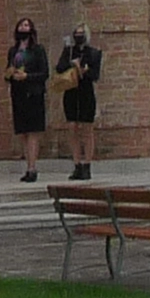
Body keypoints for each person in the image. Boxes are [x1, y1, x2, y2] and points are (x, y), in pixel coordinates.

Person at [52, 22, 103, 182]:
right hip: (71, 92)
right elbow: (59, 68)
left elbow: (94, 75)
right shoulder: (68, 51)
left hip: (86, 92)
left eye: (81, 33)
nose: (78, 36)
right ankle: (76, 164)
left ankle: (87, 164)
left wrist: (82, 70)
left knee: (87, 128)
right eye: (76, 33)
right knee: (72, 127)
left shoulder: (93, 53)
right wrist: (72, 65)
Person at [3, 18, 50, 182]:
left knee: (33, 131)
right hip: (18, 94)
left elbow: (45, 73)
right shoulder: (13, 51)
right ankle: (27, 165)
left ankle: (32, 167)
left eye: (27, 25)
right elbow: (8, 69)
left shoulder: (38, 50)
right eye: (21, 25)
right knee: (23, 132)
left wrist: (27, 76)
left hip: (33, 93)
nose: (24, 28)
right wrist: (9, 74)